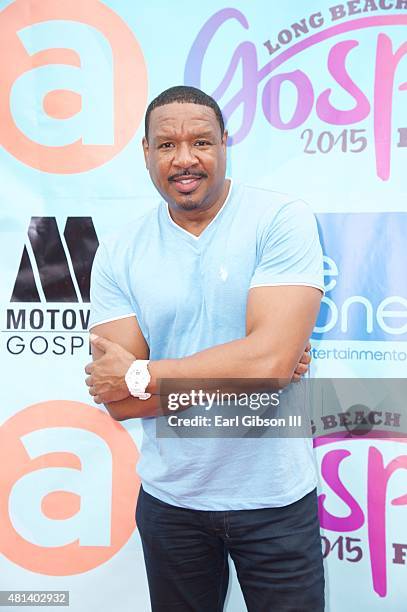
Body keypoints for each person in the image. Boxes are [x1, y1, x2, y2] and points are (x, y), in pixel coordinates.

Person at [85, 85, 325, 611]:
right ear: (146, 153)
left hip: (276, 504)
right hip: (173, 506)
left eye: (201, 141)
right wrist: (254, 365)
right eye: (166, 145)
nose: (185, 159)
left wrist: (144, 374)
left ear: (224, 145)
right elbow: (120, 400)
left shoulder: (279, 219)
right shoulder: (121, 250)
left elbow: (270, 363)